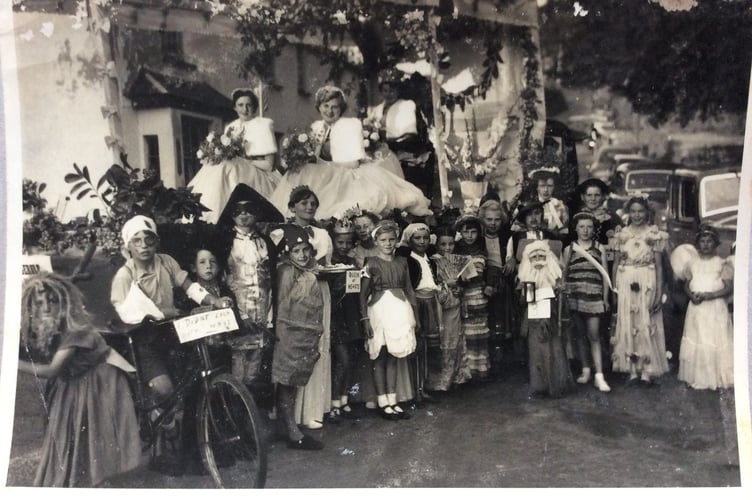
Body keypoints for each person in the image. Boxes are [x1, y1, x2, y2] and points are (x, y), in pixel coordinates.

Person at [19, 272, 142, 487]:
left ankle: (95, 477)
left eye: (52, 301)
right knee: (69, 432)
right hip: (74, 382)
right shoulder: (53, 328)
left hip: (99, 382)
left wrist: (12, 364)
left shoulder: (77, 331)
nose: (46, 307)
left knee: (94, 433)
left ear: (64, 302)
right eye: (39, 303)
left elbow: (51, 370)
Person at [110, 215, 227, 413]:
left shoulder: (166, 262)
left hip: (172, 334)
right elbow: (124, 313)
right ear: (127, 247)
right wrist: (163, 312)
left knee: (192, 380)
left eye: (149, 239)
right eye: (136, 241)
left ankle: (188, 425)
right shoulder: (125, 275)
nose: (144, 246)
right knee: (164, 389)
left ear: (157, 242)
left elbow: (190, 288)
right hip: (144, 340)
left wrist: (214, 300)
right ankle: (162, 414)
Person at [269, 85, 432, 219]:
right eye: (325, 106)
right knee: (301, 171)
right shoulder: (316, 127)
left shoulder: (350, 125)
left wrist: (324, 166)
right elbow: (314, 155)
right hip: (322, 170)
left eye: (335, 107)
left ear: (342, 109)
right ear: (319, 107)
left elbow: (352, 163)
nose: (329, 111)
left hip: (346, 171)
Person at [214, 183, 281, 397]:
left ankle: (250, 410)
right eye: (238, 211)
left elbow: (271, 279)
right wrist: (236, 313)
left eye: (249, 211)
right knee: (237, 360)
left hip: (263, 308)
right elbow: (221, 278)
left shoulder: (265, 242)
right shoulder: (225, 241)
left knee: (257, 360)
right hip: (237, 307)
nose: (243, 216)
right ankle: (234, 407)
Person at [188, 88, 280, 223]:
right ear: (235, 108)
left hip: (260, 172)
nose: (245, 109)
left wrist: (245, 162)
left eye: (249, 105)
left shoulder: (263, 125)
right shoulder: (232, 127)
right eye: (240, 105)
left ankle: (215, 218)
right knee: (216, 166)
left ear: (254, 107)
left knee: (227, 166)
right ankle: (203, 215)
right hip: (236, 167)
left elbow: (269, 165)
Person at [282, 186, 333, 430]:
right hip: (293, 289)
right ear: (292, 207)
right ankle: (290, 414)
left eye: (313, 203)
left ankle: (313, 410)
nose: (309, 207)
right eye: (303, 203)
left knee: (318, 345)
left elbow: (326, 264)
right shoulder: (281, 232)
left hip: (319, 287)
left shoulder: (322, 234)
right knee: (295, 346)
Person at [271, 225, 325, 450]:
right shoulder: (286, 272)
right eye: (296, 251)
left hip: (304, 331)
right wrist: (282, 335)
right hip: (288, 332)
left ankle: (288, 425)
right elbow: (282, 305)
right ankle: (291, 430)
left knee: (292, 381)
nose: (302, 255)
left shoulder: (308, 270)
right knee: (286, 380)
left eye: (305, 250)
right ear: (287, 253)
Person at [360, 220, 419, 420]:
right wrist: (365, 319)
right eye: (383, 240)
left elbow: (409, 289)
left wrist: (415, 315)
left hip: (399, 310)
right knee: (380, 356)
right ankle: (382, 401)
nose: (388, 243)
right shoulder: (371, 263)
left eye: (392, 239)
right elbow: (362, 294)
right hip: (379, 310)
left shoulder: (402, 262)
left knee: (394, 355)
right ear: (376, 241)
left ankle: (393, 400)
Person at [611, 196, 669, 385]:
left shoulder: (654, 234)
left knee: (646, 321)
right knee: (629, 322)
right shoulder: (622, 235)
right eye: (633, 211)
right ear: (629, 212)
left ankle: (646, 369)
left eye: (641, 211)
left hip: (647, 280)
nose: (637, 215)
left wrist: (659, 292)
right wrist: (614, 288)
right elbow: (616, 263)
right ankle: (632, 369)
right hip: (626, 279)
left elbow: (659, 267)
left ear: (647, 212)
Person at [670, 226, 734, 390]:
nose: (705, 245)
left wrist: (710, 295)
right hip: (697, 307)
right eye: (702, 242)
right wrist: (691, 295)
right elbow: (686, 285)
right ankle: (699, 376)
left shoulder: (722, 263)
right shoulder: (692, 263)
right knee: (699, 337)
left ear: (716, 243)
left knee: (713, 338)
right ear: (698, 244)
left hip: (715, 307)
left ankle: (716, 376)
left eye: (709, 241)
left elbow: (728, 288)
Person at [561, 212, 612, 392]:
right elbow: (564, 275)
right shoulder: (569, 249)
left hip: (594, 297)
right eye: (582, 226)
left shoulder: (600, 248)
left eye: (589, 227)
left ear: (594, 229)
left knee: (594, 335)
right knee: (580, 335)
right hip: (575, 297)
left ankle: (599, 375)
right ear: (576, 228)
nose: (585, 230)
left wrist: (605, 299)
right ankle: (586, 370)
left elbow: (605, 276)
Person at [517, 240, 574, 397]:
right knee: (536, 351)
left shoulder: (555, 277)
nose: (538, 261)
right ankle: (539, 386)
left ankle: (556, 385)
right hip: (534, 319)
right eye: (533, 257)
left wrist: (560, 292)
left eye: (541, 256)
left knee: (554, 350)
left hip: (552, 318)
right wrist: (525, 292)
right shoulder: (526, 279)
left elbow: (561, 300)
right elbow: (525, 302)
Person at [369, 68, 436, 198]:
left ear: (399, 90)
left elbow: (409, 134)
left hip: (401, 148)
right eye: (385, 90)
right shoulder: (376, 109)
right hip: (378, 149)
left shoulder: (407, 105)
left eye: (393, 90)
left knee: (383, 166)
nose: (389, 94)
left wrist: (389, 143)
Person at [397, 222, 442, 399]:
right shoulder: (408, 260)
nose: (422, 241)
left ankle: (425, 385)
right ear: (410, 239)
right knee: (417, 345)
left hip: (432, 302)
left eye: (425, 238)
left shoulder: (430, 259)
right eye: (417, 238)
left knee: (428, 348)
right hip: (417, 303)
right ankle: (416, 389)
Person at [325, 217, 362, 422]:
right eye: (341, 242)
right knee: (342, 360)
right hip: (336, 316)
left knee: (351, 359)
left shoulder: (352, 262)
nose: (345, 246)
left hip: (350, 314)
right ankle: (333, 402)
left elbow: (355, 291)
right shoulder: (328, 263)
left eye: (348, 242)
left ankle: (344, 398)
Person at [430, 225, 472, 390]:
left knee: (454, 339)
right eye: (443, 244)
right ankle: (440, 380)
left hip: (454, 304)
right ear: (437, 245)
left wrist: (458, 288)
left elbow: (464, 285)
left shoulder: (458, 260)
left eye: (450, 244)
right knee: (441, 340)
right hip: (438, 305)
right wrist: (444, 283)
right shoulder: (432, 261)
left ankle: (454, 376)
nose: (447, 248)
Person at [478, 197, 515, 377]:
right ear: (482, 219)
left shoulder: (507, 237)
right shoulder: (478, 238)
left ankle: (501, 363)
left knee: (502, 320)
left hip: (502, 282)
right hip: (483, 283)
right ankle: (485, 362)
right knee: (486, 322)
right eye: (489, 219)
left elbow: (511, 256)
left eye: (497, 219)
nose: (493, 223)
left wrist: (513, 260)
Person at [454, 214, 490, 381]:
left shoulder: (481, 249)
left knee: (479, 333)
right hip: (464, 296)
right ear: (460, 232)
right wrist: (460, 280)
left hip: (479, 295)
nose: (469, 236)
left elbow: (487, 270)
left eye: (473, 232)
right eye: (465, 232)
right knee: (466, 333)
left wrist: (488, 284)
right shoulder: (456, 250)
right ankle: (467, 371)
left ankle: (480, 369)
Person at [528, 167, 569, 239]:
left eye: (549, 186)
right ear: (537, 187)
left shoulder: (560, 207)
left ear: (554, 187)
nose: (546, 190)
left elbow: (565, 232)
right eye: (542, 186)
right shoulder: (529, 206)